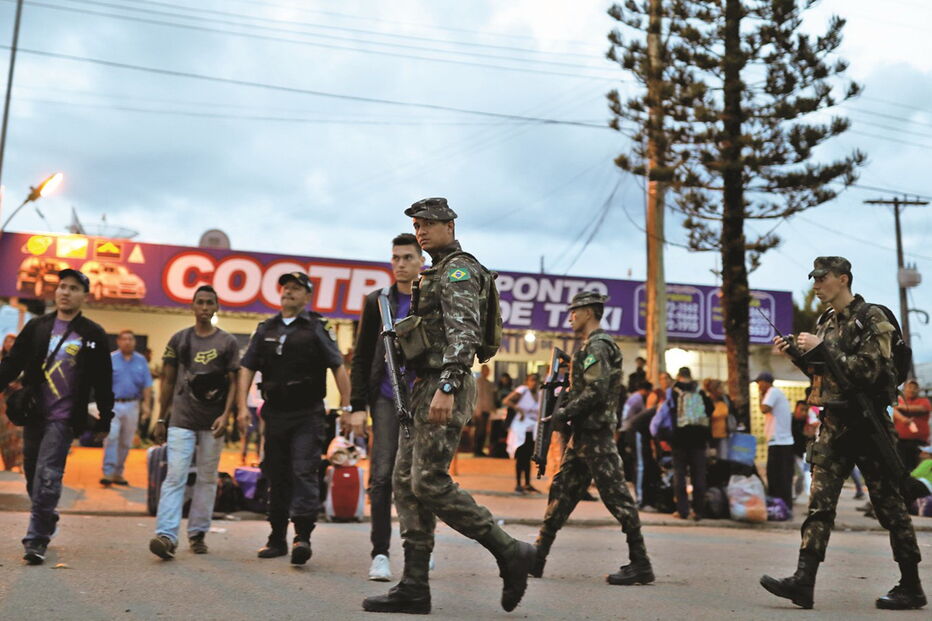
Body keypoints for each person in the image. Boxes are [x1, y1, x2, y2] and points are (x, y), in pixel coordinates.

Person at [362, 197, 534, 615]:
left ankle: (509, 550)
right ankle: (415, 587)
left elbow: (465, 332)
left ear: (450, 226)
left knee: (428, 481)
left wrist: (450, 383)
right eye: (417, 225)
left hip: (445, 383)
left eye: (428, 224)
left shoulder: (458, 269)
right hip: (424, 386)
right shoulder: (434, 271)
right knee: (406, 484)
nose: (421, 231)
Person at [761, 256, 925, 610]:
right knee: (819, 504)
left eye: (822, 279)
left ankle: (911, 584)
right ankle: (804, 580)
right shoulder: (825, 323)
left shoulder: (872, 318)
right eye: (814, 279)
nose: (816, 285)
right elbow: (825, 375)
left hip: (867, 425)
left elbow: (870, 371)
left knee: (890, 507)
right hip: (833, 425)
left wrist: (823, 349)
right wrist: (798, 357)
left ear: (843, 279)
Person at [531, 290, 654, 587]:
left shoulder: (598, 346)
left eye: (575, 310)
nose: (570, 316)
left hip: (596, 435)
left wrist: (565, 411)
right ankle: (537, 557)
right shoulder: (589, 346)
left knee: (617, 498)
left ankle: (641, 563)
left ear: (588, 312)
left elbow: (596, 390)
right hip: (584, 436)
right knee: (562, 492)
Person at [0, 269, 113, 565]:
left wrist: (105, 419)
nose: (65, 292)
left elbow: (103, 380)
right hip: (34, 414)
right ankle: (47, 517)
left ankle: (36, 540)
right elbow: (12, 365)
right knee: (33, 478)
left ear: (83, 295)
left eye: (73, 288)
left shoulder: (93, 334)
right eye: (62, 286)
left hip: (64, 418)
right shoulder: (38, 327)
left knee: (48, 475)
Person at [237, 271, 351, 566]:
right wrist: (240, 407)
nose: (288, 291)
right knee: (275, 475)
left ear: (307, 296)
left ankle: (302, 537)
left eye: (296, 288)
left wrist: (349, 408)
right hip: (274, 414)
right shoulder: (266, 328)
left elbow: (338, 366)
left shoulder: (316, 327)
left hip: (307, 414)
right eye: (285, 287)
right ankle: (276, 539)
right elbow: (247, 368)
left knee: (303, 472)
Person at [349, 232, 425, 582]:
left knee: (422, 477)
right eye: (395, 257)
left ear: (421, 261)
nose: (400, 264)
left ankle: (422, 546)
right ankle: (380, 553)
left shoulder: (431, 299)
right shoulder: (376, 301)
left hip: (422, 397)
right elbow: (362, 356)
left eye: (407, 257)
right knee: (381, 477)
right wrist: (356, 405)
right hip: (384, 397)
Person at [148, 285, 239, 559]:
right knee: (175, 476)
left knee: (208, 478)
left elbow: (235, 381)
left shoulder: (227, 342)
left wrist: (227, 415)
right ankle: (166, 535)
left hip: (214, 422)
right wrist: (162, 417)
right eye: (199, 302)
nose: (204, 307)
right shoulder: (179, 340)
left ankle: (198, 533)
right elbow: (167, 380)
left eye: (210, 302)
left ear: (217, 306)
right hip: (182, 419)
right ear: (192, 306)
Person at [100, 329, 152, 486]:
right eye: (124, 339)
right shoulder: (111, 359)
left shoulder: (141, 361)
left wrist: (147, 405)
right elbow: (102, 383)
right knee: (111, 437)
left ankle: (118, 473)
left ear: (135, 342)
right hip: (113, 405)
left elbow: (147, 385)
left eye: (130, 339)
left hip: (132, 405)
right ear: (118, 341)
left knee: (126, 441)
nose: (127, 342)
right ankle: (108, 472)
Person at [662, 366, 711, 520]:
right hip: (699, 439)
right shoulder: (699, 390)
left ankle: (682, 510)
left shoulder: (673, 391)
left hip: (679, 439)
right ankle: (699, 511)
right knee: (699, 476)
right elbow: (710, 409)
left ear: (678, 376)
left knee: (680, 475)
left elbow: (668, 412)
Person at [756, 372, 794, 514]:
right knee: (777, 476)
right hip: (778, 441)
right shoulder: (774, 393)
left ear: (766, 382)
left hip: (780, 442)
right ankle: (781, 505)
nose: (758, 386)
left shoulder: (772, 392)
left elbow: (764, 409)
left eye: (759, 383)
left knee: (778, 477)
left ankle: (782, 506)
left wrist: (761, 395)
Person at [503, 373, 541, 494]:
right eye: (532, 380)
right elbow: (507, 401)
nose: (534, 383)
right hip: (520, 428)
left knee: (529, 457)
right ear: (527, 381)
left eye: (536, 380)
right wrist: (518, 409)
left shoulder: (540, 393)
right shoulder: (522, 390)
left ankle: (528, 483)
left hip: (532, 429)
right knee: (520, 456)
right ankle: (518, 484)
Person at [893, 379, 930, 473]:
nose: (912, 390)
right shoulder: (898, 401)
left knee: (918, 470)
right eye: (910, 387)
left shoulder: (924, 401)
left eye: (915, 388)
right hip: (901, 442)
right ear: (904, 389)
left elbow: (920, 409)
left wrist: (901, 407)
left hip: (919, 444)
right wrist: (903, 418)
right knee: (902, 469)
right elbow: (893, 410)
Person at [0, 332, 24, 471]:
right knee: (4, 433)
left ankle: (20, 463)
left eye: (12, 341)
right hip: (3, 399)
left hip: (17, 399)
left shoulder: (23, 359)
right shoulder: (1, 358)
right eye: (6, 341)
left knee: (18, 432)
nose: (9, 344)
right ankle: (8, 463)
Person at [473, 364, 495, 457]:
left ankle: (480, 449)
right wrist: (477, 410)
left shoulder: (489, 383)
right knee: (479, 431)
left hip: (487, 410)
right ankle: (476, 450)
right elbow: (478, 397)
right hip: (480, 410)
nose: (488, 372)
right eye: (486, 370)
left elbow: (490, 397)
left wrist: (492, 408)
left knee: (484, 432)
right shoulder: (478, 382)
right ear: (482, 371)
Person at [705, 379, 731, 459]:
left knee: (723, 458)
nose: (723, 390)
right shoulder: (707, 401)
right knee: (711, 459)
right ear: (714, 389)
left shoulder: (725, 400)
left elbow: (730, 414)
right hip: (710, 435)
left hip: (724, 434)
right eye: (721, 388)